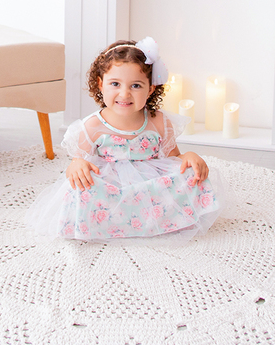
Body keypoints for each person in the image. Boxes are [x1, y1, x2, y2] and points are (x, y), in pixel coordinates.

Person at [25, 37, 227, 241]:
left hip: (150, 183)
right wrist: (77, 165)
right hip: (111, 185)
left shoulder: (157, 121)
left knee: (191, 173)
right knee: (82, 185)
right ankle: (110, 222)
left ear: (150, 89)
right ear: (101, 84)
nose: (125, 93)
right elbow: (78, 162)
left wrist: (188, 156)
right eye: (115, 84)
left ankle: (159, 219)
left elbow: (174, 157)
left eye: (136, 86)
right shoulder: (92, 126)